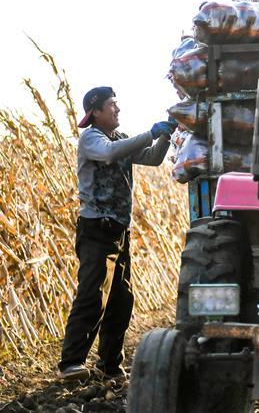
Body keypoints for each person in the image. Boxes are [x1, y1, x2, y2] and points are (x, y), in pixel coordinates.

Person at [57, 87, 176, 381]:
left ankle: (109, 365)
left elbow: (152, 158)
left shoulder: (121, 140)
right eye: (113, 105)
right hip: (97, 228)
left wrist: (166, 134)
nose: (118, 110)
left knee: (122, 299)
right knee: (92, 294)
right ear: (96, 112)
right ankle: (71, 362)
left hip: (119, 231)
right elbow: (109, 154)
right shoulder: (91, 139)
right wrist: (151, 131)